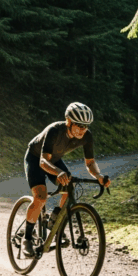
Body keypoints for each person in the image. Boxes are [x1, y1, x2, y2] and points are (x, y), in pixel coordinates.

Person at [22, 102, 111, 257]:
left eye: (86, 125)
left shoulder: (87, 136)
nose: (83, 129)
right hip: (36, 158)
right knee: (41, 197)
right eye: (80, 125)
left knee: (69, 187)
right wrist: (58, 173)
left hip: (54, 160)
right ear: (69, 122)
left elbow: (90, 163)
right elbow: (43, 162)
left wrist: (99, 176)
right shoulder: (55, 130)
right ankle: (27, 238)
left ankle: (54, 220)